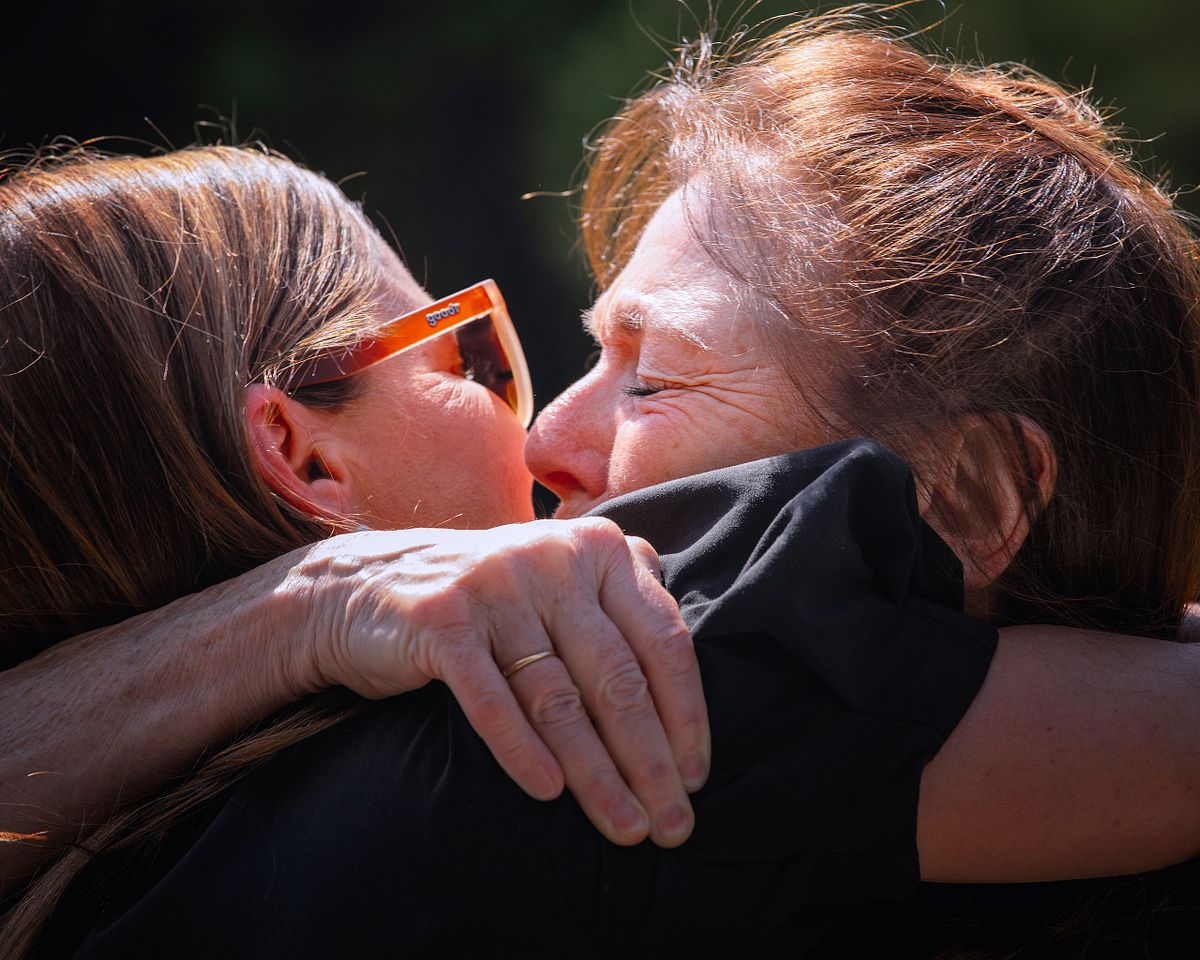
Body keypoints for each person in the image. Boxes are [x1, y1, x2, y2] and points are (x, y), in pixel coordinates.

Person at [5, 12, 1200, 954]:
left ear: (981, 501)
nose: (543, 441)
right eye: (468, 356)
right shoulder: (598, 709)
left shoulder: (120, 872)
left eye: (651, 376)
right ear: (302, 455)